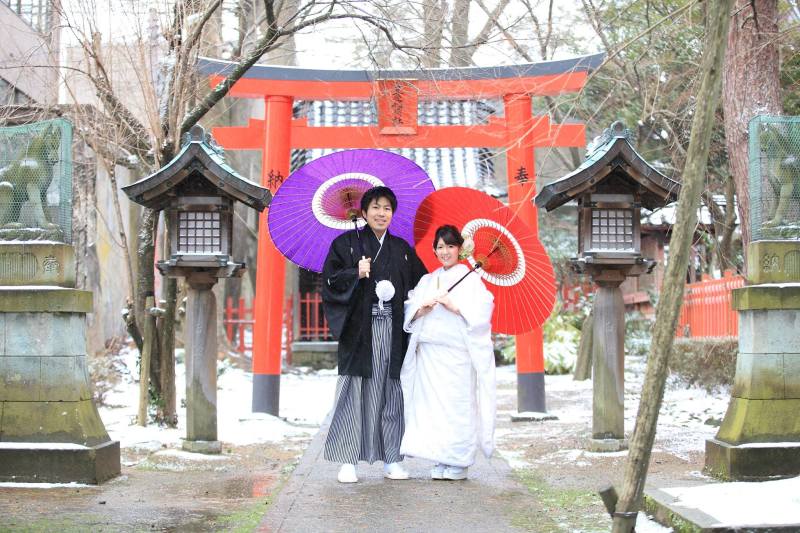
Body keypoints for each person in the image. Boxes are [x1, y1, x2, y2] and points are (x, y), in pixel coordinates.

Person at [321, 186, 428, 483]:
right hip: (360, 331)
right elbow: (329, 282)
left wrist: (424, 304)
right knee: (354, 391)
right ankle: (347, 460)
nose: (382, 214)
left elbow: (420, 285)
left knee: (392, 392)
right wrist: (355, 272)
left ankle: (392, 458)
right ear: (364, 212)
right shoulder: (345, 244)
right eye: (376, 208)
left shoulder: (402, 250)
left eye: (387, 209)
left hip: (393, 332)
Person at [400, 224, 496, 481]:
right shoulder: (427, 280)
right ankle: (441, 456)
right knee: (432, 409)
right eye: (440, 247)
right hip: (430, 355)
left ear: (460, 249)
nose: (444, 252)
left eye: (450, 246)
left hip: (457, 355)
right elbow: (410, 309)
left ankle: (459, 460)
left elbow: (482, 312)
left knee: (457, 406)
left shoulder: (472, 280)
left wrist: (457, 307)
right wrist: (421, 309)